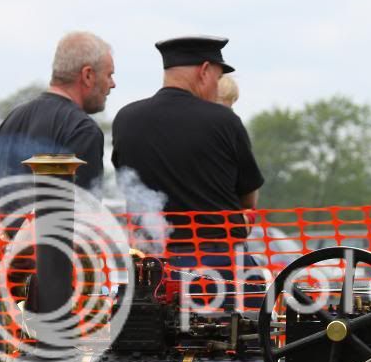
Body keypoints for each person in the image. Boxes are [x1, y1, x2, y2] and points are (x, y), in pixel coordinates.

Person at [0, 31, 115, 362]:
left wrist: (3, 252)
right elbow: (59, 214)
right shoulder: (83, 130)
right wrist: (16, 262)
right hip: (47, 296)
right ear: (87, 75)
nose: (113, 84)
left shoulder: (15, 117)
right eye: (109, 74)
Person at [111, 35, 264, 310]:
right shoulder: (225, 121)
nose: (216, 88)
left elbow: (128, 185)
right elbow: (248, 202)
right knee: (245, 344)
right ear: (204, 71)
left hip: (151, 269)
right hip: (220, 270)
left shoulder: (125, 119)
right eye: (217, 80)